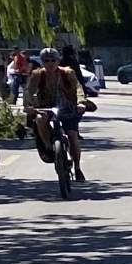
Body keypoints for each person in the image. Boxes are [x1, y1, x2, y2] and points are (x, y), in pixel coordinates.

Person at [27, 44, 88, 184]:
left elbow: (78, 88)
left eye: (53, 60)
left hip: (67, 106)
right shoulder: (37, 74)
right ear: (43, 62)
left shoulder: (68, 73)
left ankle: (78, 168)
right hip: (46, 106)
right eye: (46, 60)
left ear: (58, 61)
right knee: (40, 119)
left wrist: (81, 102)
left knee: (72, 135)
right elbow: (29, 90)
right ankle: (49, 147)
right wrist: (27, 105)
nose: (50, 63)